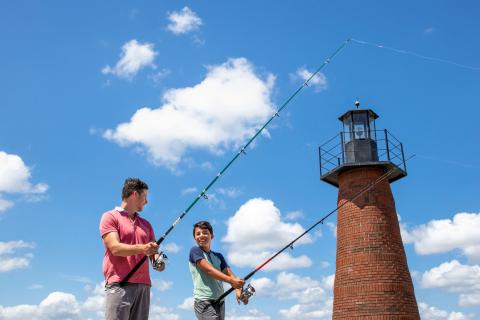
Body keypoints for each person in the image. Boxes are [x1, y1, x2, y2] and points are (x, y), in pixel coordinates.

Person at [99, 178, 164, 320]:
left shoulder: (146, 224)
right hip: (119, 284)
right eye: (144, 196)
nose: (146, 201)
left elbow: (154, 256)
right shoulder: (110, 217)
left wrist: (159, 262)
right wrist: (143, 248)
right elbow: (115, 248)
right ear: (134, 194)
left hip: (144, 286)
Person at [189, 220, 245, 320]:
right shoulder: (195, 251)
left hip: (220, 301)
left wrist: (238, 289)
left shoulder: (219, 256)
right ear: (194, 238)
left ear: (212, 236)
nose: (201, 235)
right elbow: (209, 270)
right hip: (203, 301)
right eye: (198, 234)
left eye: (205, 233)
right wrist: (232, 281)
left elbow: (230, 274)